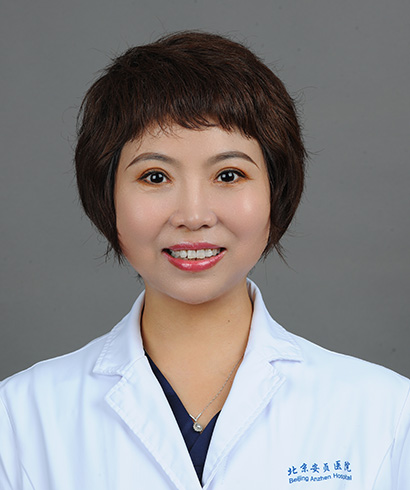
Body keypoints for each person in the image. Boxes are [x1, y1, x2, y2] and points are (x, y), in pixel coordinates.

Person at [0, 31, 409, 490]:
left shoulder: (386, 414)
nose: (193, 216)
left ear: (276, 193)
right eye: (155, 176)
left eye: (228, 175)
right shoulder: (19, 420)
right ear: (106, 199)